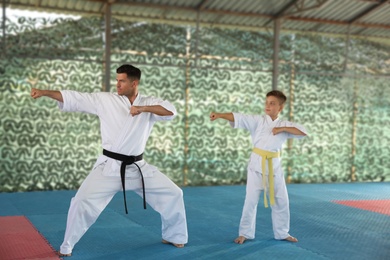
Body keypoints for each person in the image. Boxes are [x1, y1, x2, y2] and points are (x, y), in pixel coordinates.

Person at [31, 64, 188, 256]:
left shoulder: (149, 102)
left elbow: (171, 111)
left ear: (134, 83)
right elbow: (75, 98)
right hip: (109, 168)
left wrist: (141, 108)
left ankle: (175, 235)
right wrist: (44, 92)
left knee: (174, 193)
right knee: (81, 201)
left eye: (122, 81)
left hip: (138, 167)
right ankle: (67, 245)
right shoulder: (105, 100)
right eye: (117, 80)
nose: (118, 84)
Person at [209, 90, 307, 244]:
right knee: (251, 201)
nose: (268, 106)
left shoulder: (284, 124)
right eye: (267, 102)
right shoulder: (257, 120)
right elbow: (238, 117)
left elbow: (303, 132)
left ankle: (282, 232)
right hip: (256, 166)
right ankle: (245, 233)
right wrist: (220, 115)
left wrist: (281, 129)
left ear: (280, 107)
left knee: (281, 201)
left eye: (272, 103)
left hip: (274, 168)